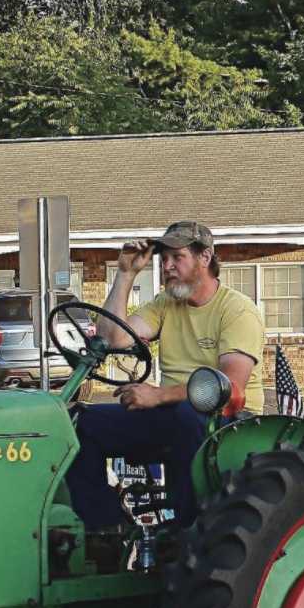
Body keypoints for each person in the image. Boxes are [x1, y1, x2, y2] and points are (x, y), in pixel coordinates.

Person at [67, 221, 264, 535]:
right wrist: (126, 274)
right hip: (174, 413)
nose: (167, 266)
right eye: (164, 259)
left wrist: (157, 395)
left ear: (205, 258)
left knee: (188, 417)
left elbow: (228, 387)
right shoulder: (166, 304)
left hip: (230, 421)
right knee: (80, 423)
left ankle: (187, 532)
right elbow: (111, 339)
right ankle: (105, 530)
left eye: (177, 257)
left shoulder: (237, 311)